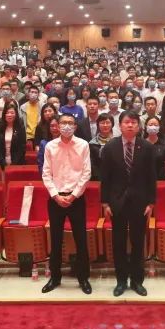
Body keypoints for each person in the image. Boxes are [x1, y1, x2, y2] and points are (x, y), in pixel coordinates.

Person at [100, 111, 157, 297]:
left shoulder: (147, 147)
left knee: (138, 242)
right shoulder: (110, 147)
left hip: (139, 202)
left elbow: (151, 177)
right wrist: (105, 203)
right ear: (120, 125)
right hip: (117, 203)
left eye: (134, 122)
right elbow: (105, 178)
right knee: (118, 243)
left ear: (139, 126)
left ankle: (137, 281)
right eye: (126, 122)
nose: (130, 125)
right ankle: (121, 281)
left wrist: (151, 202)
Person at [40, 113, 93, 295]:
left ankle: (83, 278)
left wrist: (74, 195)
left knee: (81, 239)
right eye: (64, 123)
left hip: (76, 199)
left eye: (70, 123)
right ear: (57, 125)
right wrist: (56, 195)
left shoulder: (83, 145)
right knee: (55, 240)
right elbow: (46, 173)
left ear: (75, 126)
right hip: (56, 199)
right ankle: (55, 278)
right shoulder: (50, 146)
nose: (67, 126)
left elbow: (86, 173)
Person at [0, 104, 27, 169]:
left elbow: (22, 146)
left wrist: (14, 163)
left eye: (12, 113)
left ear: (16, 114)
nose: (9, 115)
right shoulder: (0, 124)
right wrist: (2, 162)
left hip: (17, 162)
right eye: (7, 113)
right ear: (4, 114)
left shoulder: (20, 125)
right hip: (2, 161)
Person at [142, 115, 165, 181]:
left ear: (159, 127)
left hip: (162, 178)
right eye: (150, 125)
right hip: (145, 179)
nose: (153, 127)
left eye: (155, 125)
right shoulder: (141, 144)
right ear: (146, 126)